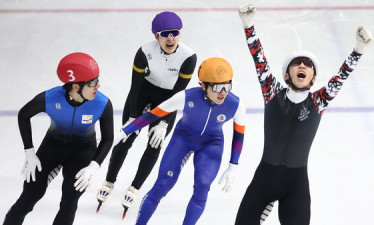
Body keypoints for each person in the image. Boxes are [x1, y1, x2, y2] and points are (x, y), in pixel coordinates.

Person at [235, 4, 373, 225]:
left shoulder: (319, 100)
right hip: (264, 179)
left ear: (313, 79)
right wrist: (248, 25)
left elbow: (341, 76)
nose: (302, 66)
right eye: (297, 63)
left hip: (296, 185)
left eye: (308, 65)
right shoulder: (272, 91)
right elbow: (259, 60)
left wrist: (358, 50)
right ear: (287, 75)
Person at [119, 57, 246, 225]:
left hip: (211, 143)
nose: (223, 92)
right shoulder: (186, 97)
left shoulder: (236, 104)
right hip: (183, 138)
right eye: (217, 87)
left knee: (202, 187)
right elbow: (155, 113)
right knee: (162, 185)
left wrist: (233, 166)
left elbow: (239, 135)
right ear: (203, 85)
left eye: (227, 86)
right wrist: (126, 130)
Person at [96, 11, 197, 212]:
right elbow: (136, 86)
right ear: (156, 36)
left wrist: (163, 122)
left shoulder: (189, 56)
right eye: (165, 33)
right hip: (142, 95)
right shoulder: (144, 52)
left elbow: (178, 94)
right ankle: (108, 182)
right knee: (125, 139)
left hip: (167, 101)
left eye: (175, 33)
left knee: (154, 144)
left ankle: (134, 188)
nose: (170, 38)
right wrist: (134, 116)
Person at [3, 52, 114, 225]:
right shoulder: (50, 98)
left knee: (69, 203)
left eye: (97, 80)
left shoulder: (102, 103)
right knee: (29, 196)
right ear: (76, 86)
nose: (98, 86)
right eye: (92, 83)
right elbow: (23, 116)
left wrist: (94, 166)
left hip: (83, 151)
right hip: (52, 147)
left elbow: (108, 138)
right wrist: (30, 153)